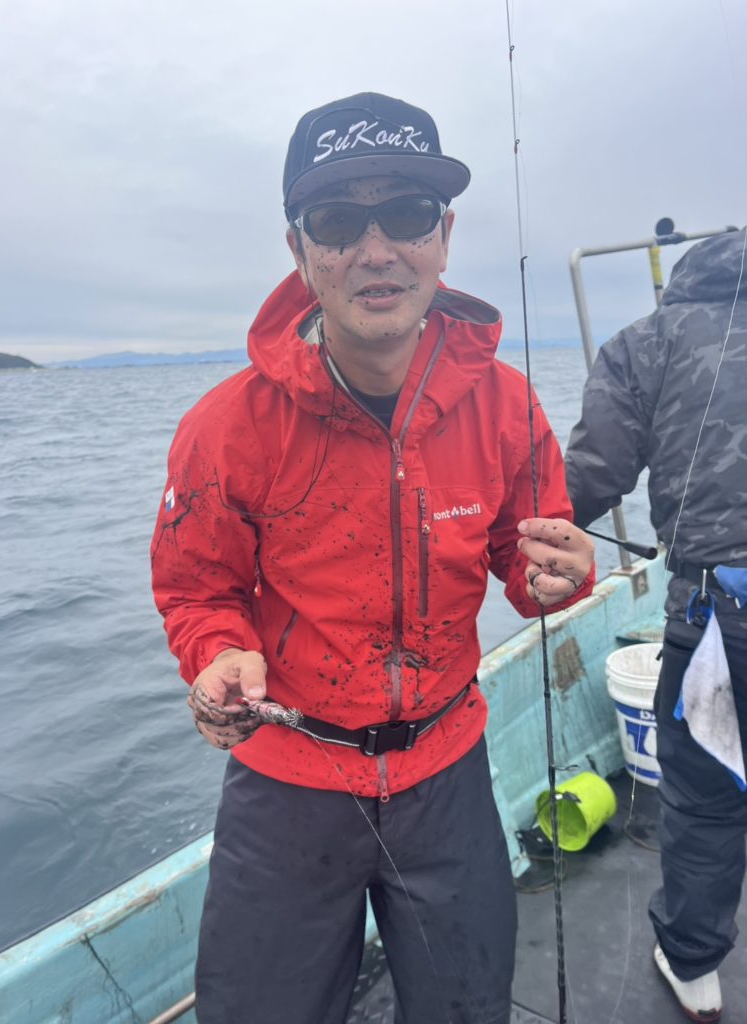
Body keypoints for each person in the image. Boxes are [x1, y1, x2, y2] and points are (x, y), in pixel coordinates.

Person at [151, 91, 595, 1024]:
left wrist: (556, 575)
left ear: (445, 236)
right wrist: (217, 653)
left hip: (448, 773)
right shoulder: (223, 428)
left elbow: (527, 560)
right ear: (299, 249)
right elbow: (198, 588)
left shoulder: (508, 406)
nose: (376, 247)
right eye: (338, 221)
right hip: (287, 781)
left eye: (407, 212)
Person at [565, 227, 747, 1024]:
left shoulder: (644, 342)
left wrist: (506, 528)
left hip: (716, 624)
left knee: (706, 799)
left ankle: (694, 969)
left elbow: (588, 479)